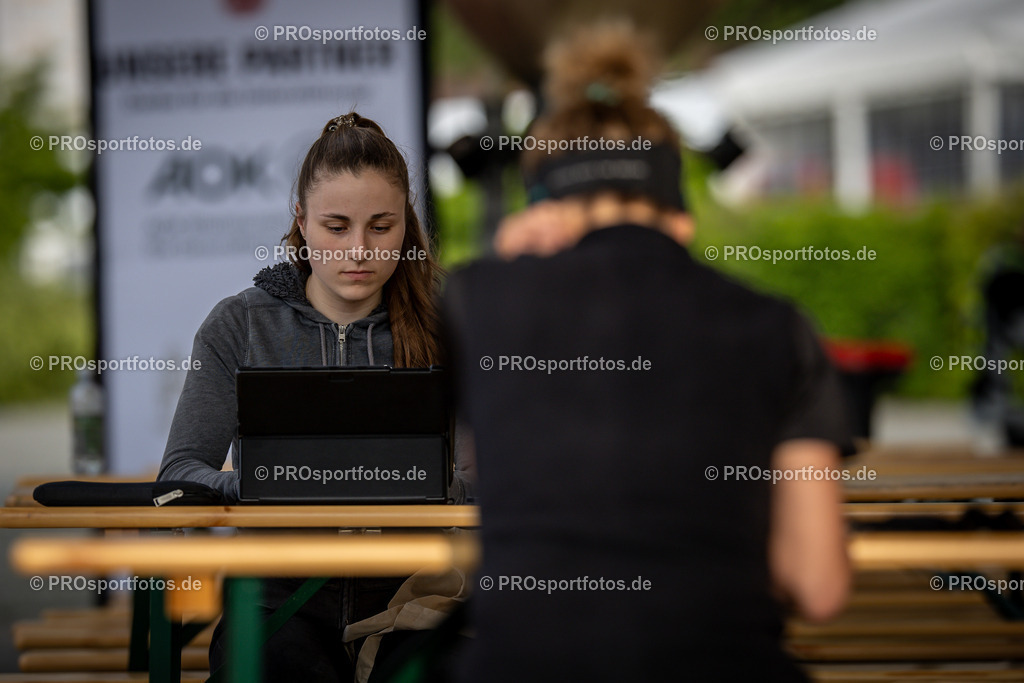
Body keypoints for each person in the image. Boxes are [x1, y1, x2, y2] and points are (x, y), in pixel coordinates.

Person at [439, 22, 851, 682]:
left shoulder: (474, 301)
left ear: (545, 205)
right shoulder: (778, 326)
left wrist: (504, 273)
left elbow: (478, 466)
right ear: (680, 211)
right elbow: (819, 585)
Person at [157, 111, 473, 682]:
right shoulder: (240, 324)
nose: (359, 250)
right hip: (277, 596)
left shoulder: (448, 319)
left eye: (381, 227)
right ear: (300, 221)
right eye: (336, 226)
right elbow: (180, 472)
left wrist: (429, 482)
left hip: (415, 594)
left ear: (407, 224)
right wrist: (276, 484)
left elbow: (490, 472)